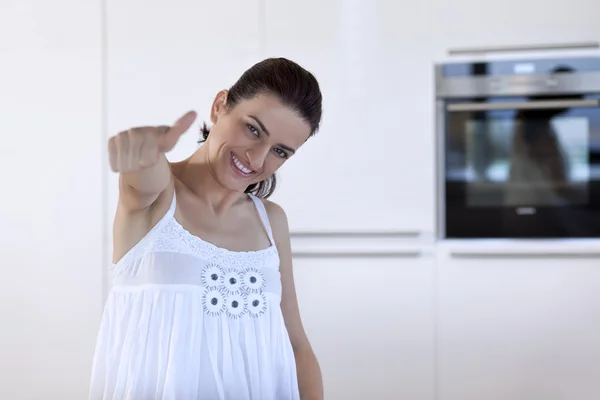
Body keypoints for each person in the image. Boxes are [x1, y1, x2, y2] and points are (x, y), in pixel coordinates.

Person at [89, 57, 324, 400]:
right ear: (219, 106)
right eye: (253, 129)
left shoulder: (270, 221)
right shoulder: (157, 197)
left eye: (279, 152)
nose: (257, 159)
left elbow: (296, 343)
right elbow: (143, 179)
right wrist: (143, 152)